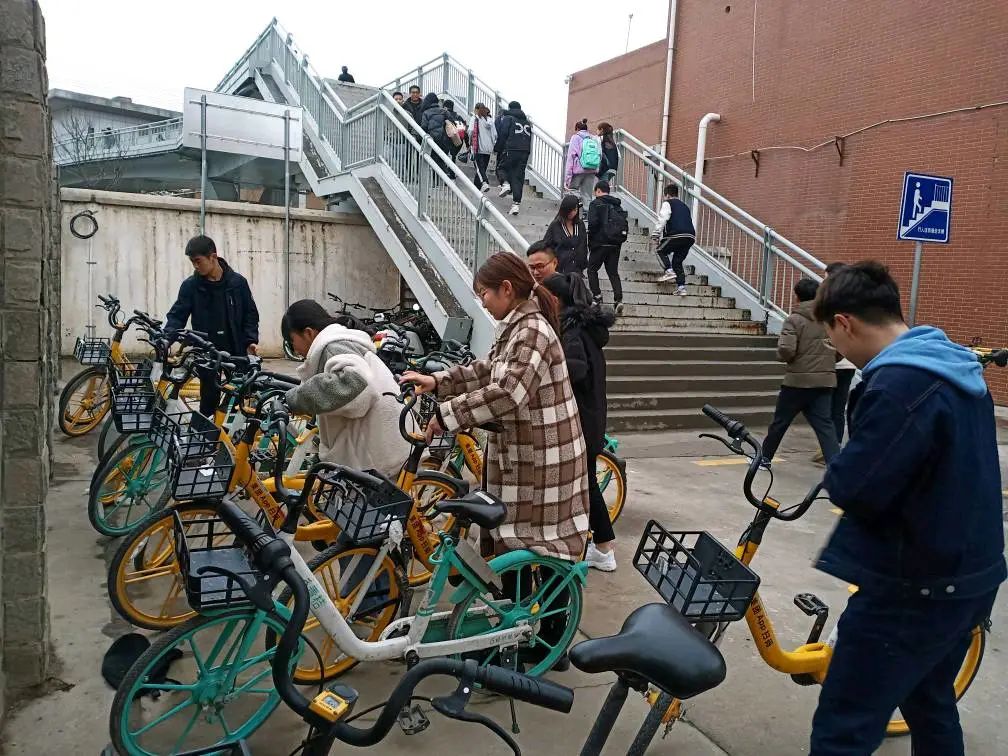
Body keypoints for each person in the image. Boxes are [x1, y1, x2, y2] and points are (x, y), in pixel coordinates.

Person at [809, 261, 1005, 756]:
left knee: (843, 727)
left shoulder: (899, 386)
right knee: (930, 704)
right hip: (970, 576)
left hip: (912, 589)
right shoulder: (954, 365)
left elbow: (856, 486)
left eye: (832, 340)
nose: (838, 351)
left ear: (844, 323)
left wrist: (838, 469)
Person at [399, 252, 590, 565]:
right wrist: (437, 381)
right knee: (516, 546)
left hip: (544, 457)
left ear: (506, 288)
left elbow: (508, 393)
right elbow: (488, 370)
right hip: (527, 451)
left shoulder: (532, 331)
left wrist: (446, 415)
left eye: (484, 293)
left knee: (535, 548)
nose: (482, 302)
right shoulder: (516, 327)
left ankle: (542, 597)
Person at [281, 299, 408, 477]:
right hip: (383, 441)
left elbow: (355, 381)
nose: (294, 350)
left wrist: (295, 399)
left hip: (378, 449)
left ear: (308, 333)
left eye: (291, 341)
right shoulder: (337, 342)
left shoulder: (333, 346)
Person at [542, 272, 617, 571]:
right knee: (585, 483)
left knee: (586, 484)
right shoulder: (583, 328)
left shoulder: (572, 331)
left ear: (554, 300)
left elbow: (576, 369)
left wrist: (546, 377)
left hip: (581, 421)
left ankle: (604, 549)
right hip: (591, 417)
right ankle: (599, 546)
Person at [165, 235, 259, 417]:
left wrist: (250, 340)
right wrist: (166, 338)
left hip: (236, 350)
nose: (195, 266)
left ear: (213, 257)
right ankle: (209, 432)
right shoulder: (191, 286)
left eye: (198, 261)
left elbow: (250, 314)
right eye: (192, 262)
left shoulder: (237, 283)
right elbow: (177, 315)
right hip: (207, 352)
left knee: (237, 400)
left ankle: (232, 433)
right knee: (208, 402)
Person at [759, 278, 840, 466]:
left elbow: (787, 349)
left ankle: (764, 459)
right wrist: (829, 362)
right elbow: (840, 349)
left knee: (780, 422)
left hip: (797, 382)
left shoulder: (794, 319)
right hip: (824, 381)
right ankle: (836, 465)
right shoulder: (828, 320)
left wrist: (782, 356)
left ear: (797, 296)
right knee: (825, 426)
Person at [813, 261, 857, 463]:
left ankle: (829, 450)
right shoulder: (854, 299)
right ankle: (834, 447)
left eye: (825, 277)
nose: (823, 281)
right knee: (837, 409)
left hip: (833, 363)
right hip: (848, 364)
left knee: (827, 410)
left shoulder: (831, 301)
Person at [586, 180, 627, 314]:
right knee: (613, 272)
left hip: (600, 243)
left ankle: (597, 296)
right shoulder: (617, 205)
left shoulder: (595, 203)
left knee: (592, 270)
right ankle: (618, 300)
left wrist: (591, 239)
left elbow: (592, 223)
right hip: (615, 243)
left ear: (598, 190)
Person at [655, 184, 696, 294]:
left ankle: (669, 271)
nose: (664, 199)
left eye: (664, 196)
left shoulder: (668, 203)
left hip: (676, 234)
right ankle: (681, 287)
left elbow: (663, 218)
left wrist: (656, 234)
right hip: (690, 237)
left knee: (660, 250)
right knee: (677, 262)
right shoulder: (685, 206)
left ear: (667, 195)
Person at [494, 101, 533, 216]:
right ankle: (516, 204)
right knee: (518, 177)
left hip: (511, 149)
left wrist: (498, 148)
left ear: (510, 108)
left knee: (501, 168)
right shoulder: (527, 123)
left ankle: (505, 184)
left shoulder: (508, 118)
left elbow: (503, 134)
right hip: (524, 152)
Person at [542, 195, 589, 273]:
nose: (572, 213)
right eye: (570, 210)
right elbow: (546, 244)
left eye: (575, 210)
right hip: (560, 269)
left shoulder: (580, 224)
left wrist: (582, 261)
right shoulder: (555, 225)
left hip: (577, 269)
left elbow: (583, 245)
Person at [564, 119, 600, 209]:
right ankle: (587, 214)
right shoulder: (593, 138)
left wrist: (568, 177)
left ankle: (574, 211)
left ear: (577, 129)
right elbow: (599, 154)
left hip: (578, 170)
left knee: (572, 191)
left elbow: (571, 157)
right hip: (592, 169)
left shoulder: (575, 137)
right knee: (587, 195)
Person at [419, 93, 455, 180]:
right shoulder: (444, 111)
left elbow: (424, 127)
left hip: (432, 140)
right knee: (442, 158)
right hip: (445, 140)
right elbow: (452, 124)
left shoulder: (426, 113)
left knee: (434, 160)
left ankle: (440, 178)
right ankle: (444, 176)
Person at [468, 103, 497, 192]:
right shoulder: (490, 120)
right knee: (483, 168)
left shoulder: (475, 118)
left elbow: (471, 131)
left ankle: (485, 182)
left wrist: (469, 143)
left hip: (478, 147)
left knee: (479, 168)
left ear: (476, 109)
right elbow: (495, 135)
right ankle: (476, 189)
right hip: (488, 148)